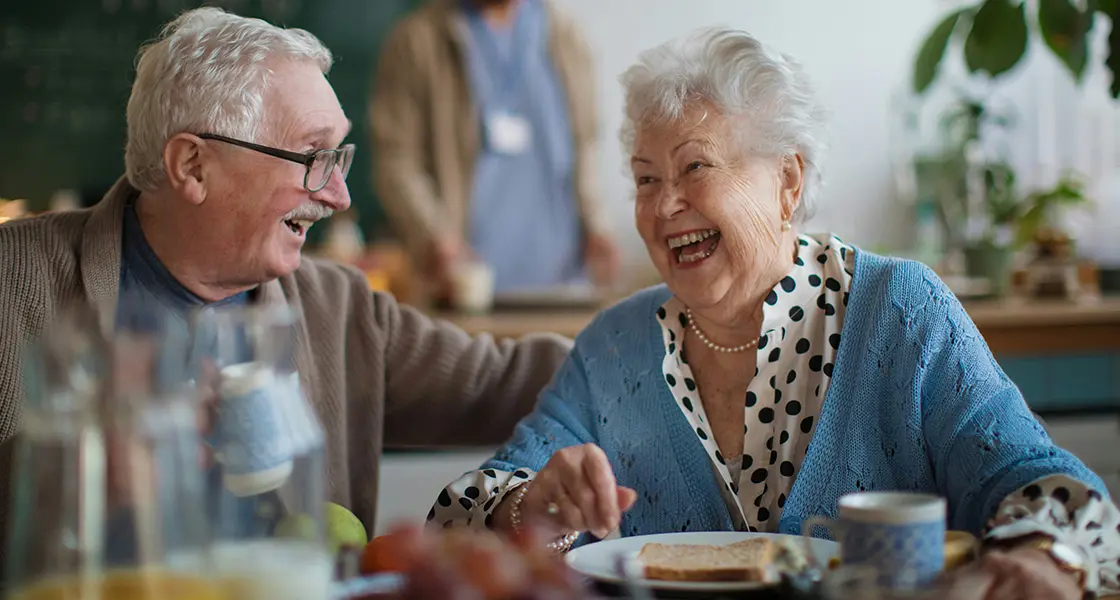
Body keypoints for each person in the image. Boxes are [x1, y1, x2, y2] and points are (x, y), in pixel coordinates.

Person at [430, 28, 1120, 598]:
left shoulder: (901, 310)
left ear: (787, 181)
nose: (665, 205)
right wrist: (532, 507)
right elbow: (467, 510)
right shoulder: (615, 346)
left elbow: (1035, 478)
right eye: (646, 179)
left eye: (695, 168)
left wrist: (1041, 557)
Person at [0, 6, 570, 570]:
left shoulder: (339, 307)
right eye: (312, 156)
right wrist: (66, 472)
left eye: (339, 157)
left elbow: (510, 381)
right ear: (193, 166)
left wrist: (655, 332)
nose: (340, 197)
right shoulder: (14, 279)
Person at [371, 0, 620, 295]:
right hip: (464, 286)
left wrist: (597, 223)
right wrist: (433, 236)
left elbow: (586, 143)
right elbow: (396, 159)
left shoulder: (565, 35)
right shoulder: (418, 41)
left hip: (564, 283)